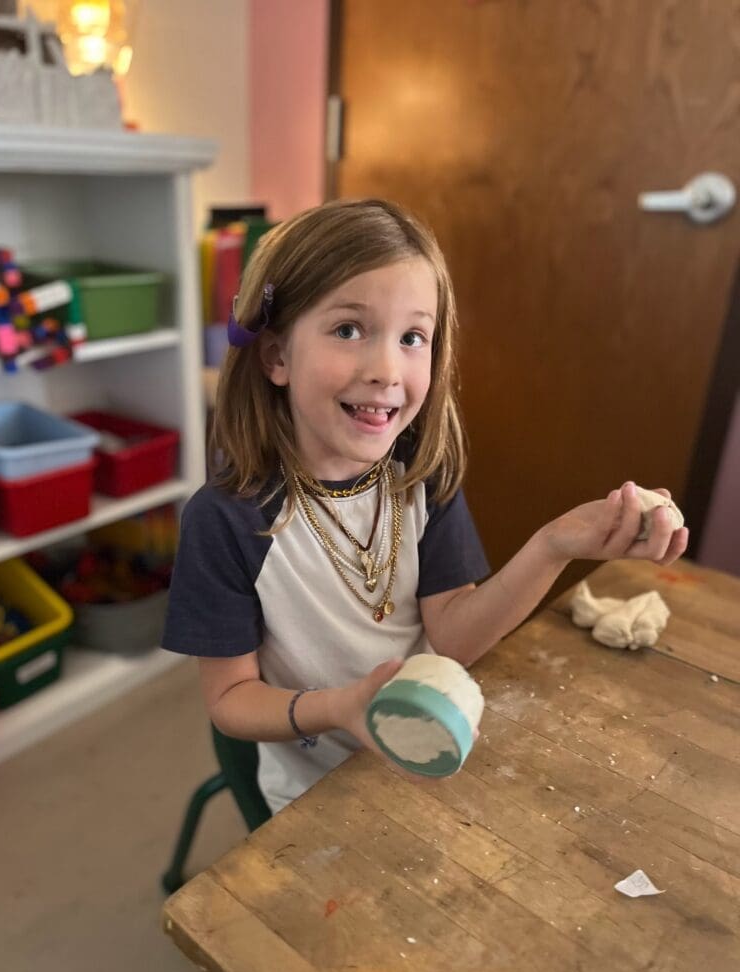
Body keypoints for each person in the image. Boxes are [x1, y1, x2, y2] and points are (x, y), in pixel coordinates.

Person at [162, 198, 688, 814]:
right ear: (277, 356)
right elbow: (231, 702)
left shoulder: (420, 476)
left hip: (429, 753)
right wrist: (343, 708)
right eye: (348, 329)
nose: (388, 370)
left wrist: (555, 545)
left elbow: (455, 637)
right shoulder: (227, 521)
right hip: (317, 795)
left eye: (413, 337)